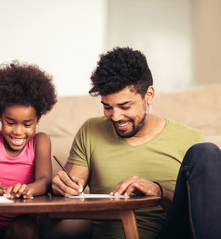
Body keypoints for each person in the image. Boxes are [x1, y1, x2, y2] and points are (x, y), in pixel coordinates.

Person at [52, 47, 221, 239]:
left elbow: (207, 214)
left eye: (125, 106)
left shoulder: (190, 142)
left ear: (149, 95)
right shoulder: (90, 131)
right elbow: (68, 193)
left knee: (206, 151)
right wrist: (60, 188)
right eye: (107, 107)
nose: (115, 116)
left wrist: (161, 193)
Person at [0, 61, 57, 239]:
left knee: (24, 229)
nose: (18, 131)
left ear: (38, 118)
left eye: (27, 124)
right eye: (10, 122)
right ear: (0, 116)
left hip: (23, 226)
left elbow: (45, 181)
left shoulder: (40, 141)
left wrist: (28, 189)